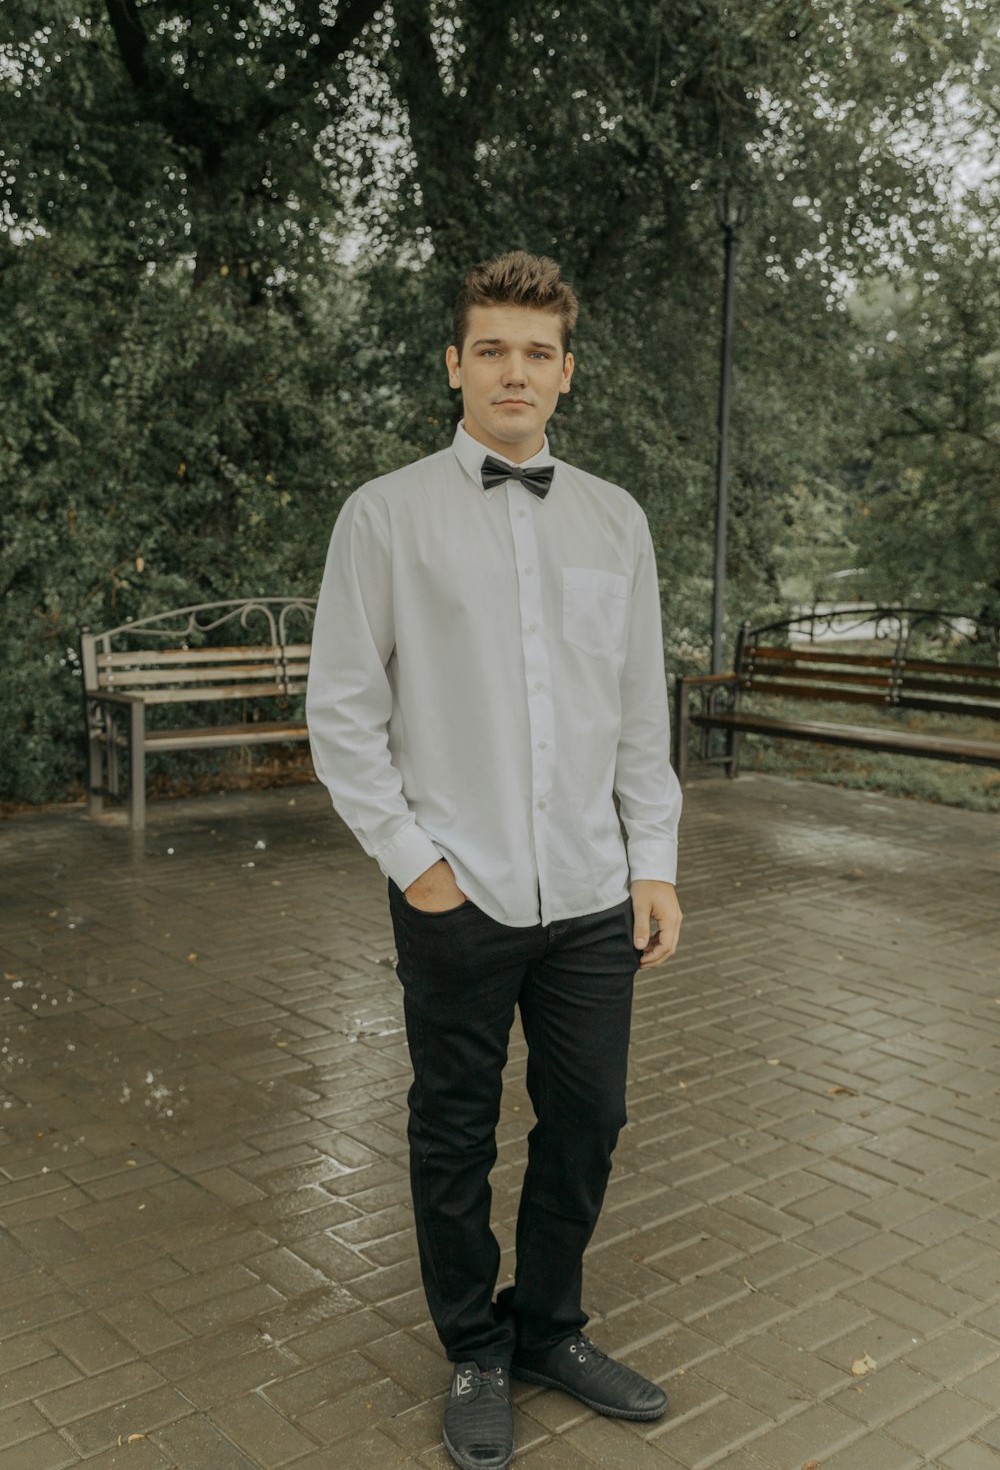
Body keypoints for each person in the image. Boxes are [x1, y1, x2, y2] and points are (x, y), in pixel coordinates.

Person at [306, 250, 682, 1470]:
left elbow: (637, 711)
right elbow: (342, 712)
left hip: (587, 894)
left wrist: (654, 861)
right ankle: (474, 1342)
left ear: (564, 374)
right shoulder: (383, 515)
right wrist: (415, 863)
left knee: (589, 1117)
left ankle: (549, 1326)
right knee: (453, 1131)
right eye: (490, 349)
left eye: (536, 353)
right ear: (453, 364)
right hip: (453, 893)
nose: (512, 370)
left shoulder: (615, 520)